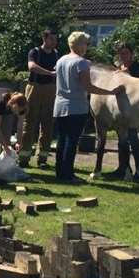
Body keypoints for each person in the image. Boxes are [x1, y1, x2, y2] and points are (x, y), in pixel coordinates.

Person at [53, 31, 124, 183]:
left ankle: (60, 172)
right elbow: (89, 87)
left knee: (62, 141)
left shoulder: (61, 60)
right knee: (72, 142)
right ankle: (69, 175)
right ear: (78, 45)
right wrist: (110, 91)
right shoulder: (82, 63)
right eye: (85, 43)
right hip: (76, 107)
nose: (86, 46)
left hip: (59, 105)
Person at [18, 29, 59, 168]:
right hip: (34, 88)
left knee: (48, 125)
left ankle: (42, 159)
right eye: (52, 39)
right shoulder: (34, 52)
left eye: (55, 39)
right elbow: (32, 67)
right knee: (29, 123)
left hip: (50, 89)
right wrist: (50, 73)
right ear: (45, 39)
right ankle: (24, 158)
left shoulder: (56, 54)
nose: (54, 42)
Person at [113, 42, 139, 180]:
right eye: (121, 53)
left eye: (126, 53)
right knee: (122, 140)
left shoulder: (137, 67)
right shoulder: (118, 67)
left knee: (134, 140)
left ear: (131, 54)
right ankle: (123, 168)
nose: (123, 55)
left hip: (133, 109)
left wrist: (127, 74)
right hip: (120, 108)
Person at [0, 87, 27, 154]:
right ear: (12, 104)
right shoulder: (1, 103)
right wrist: (5, 146)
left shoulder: (22, 108)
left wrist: (19, 142)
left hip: (7, 108)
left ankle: (4, 160)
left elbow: (20, 126)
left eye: (20, 111)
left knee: (7, 136)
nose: (17, 113)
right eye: (16, 110)